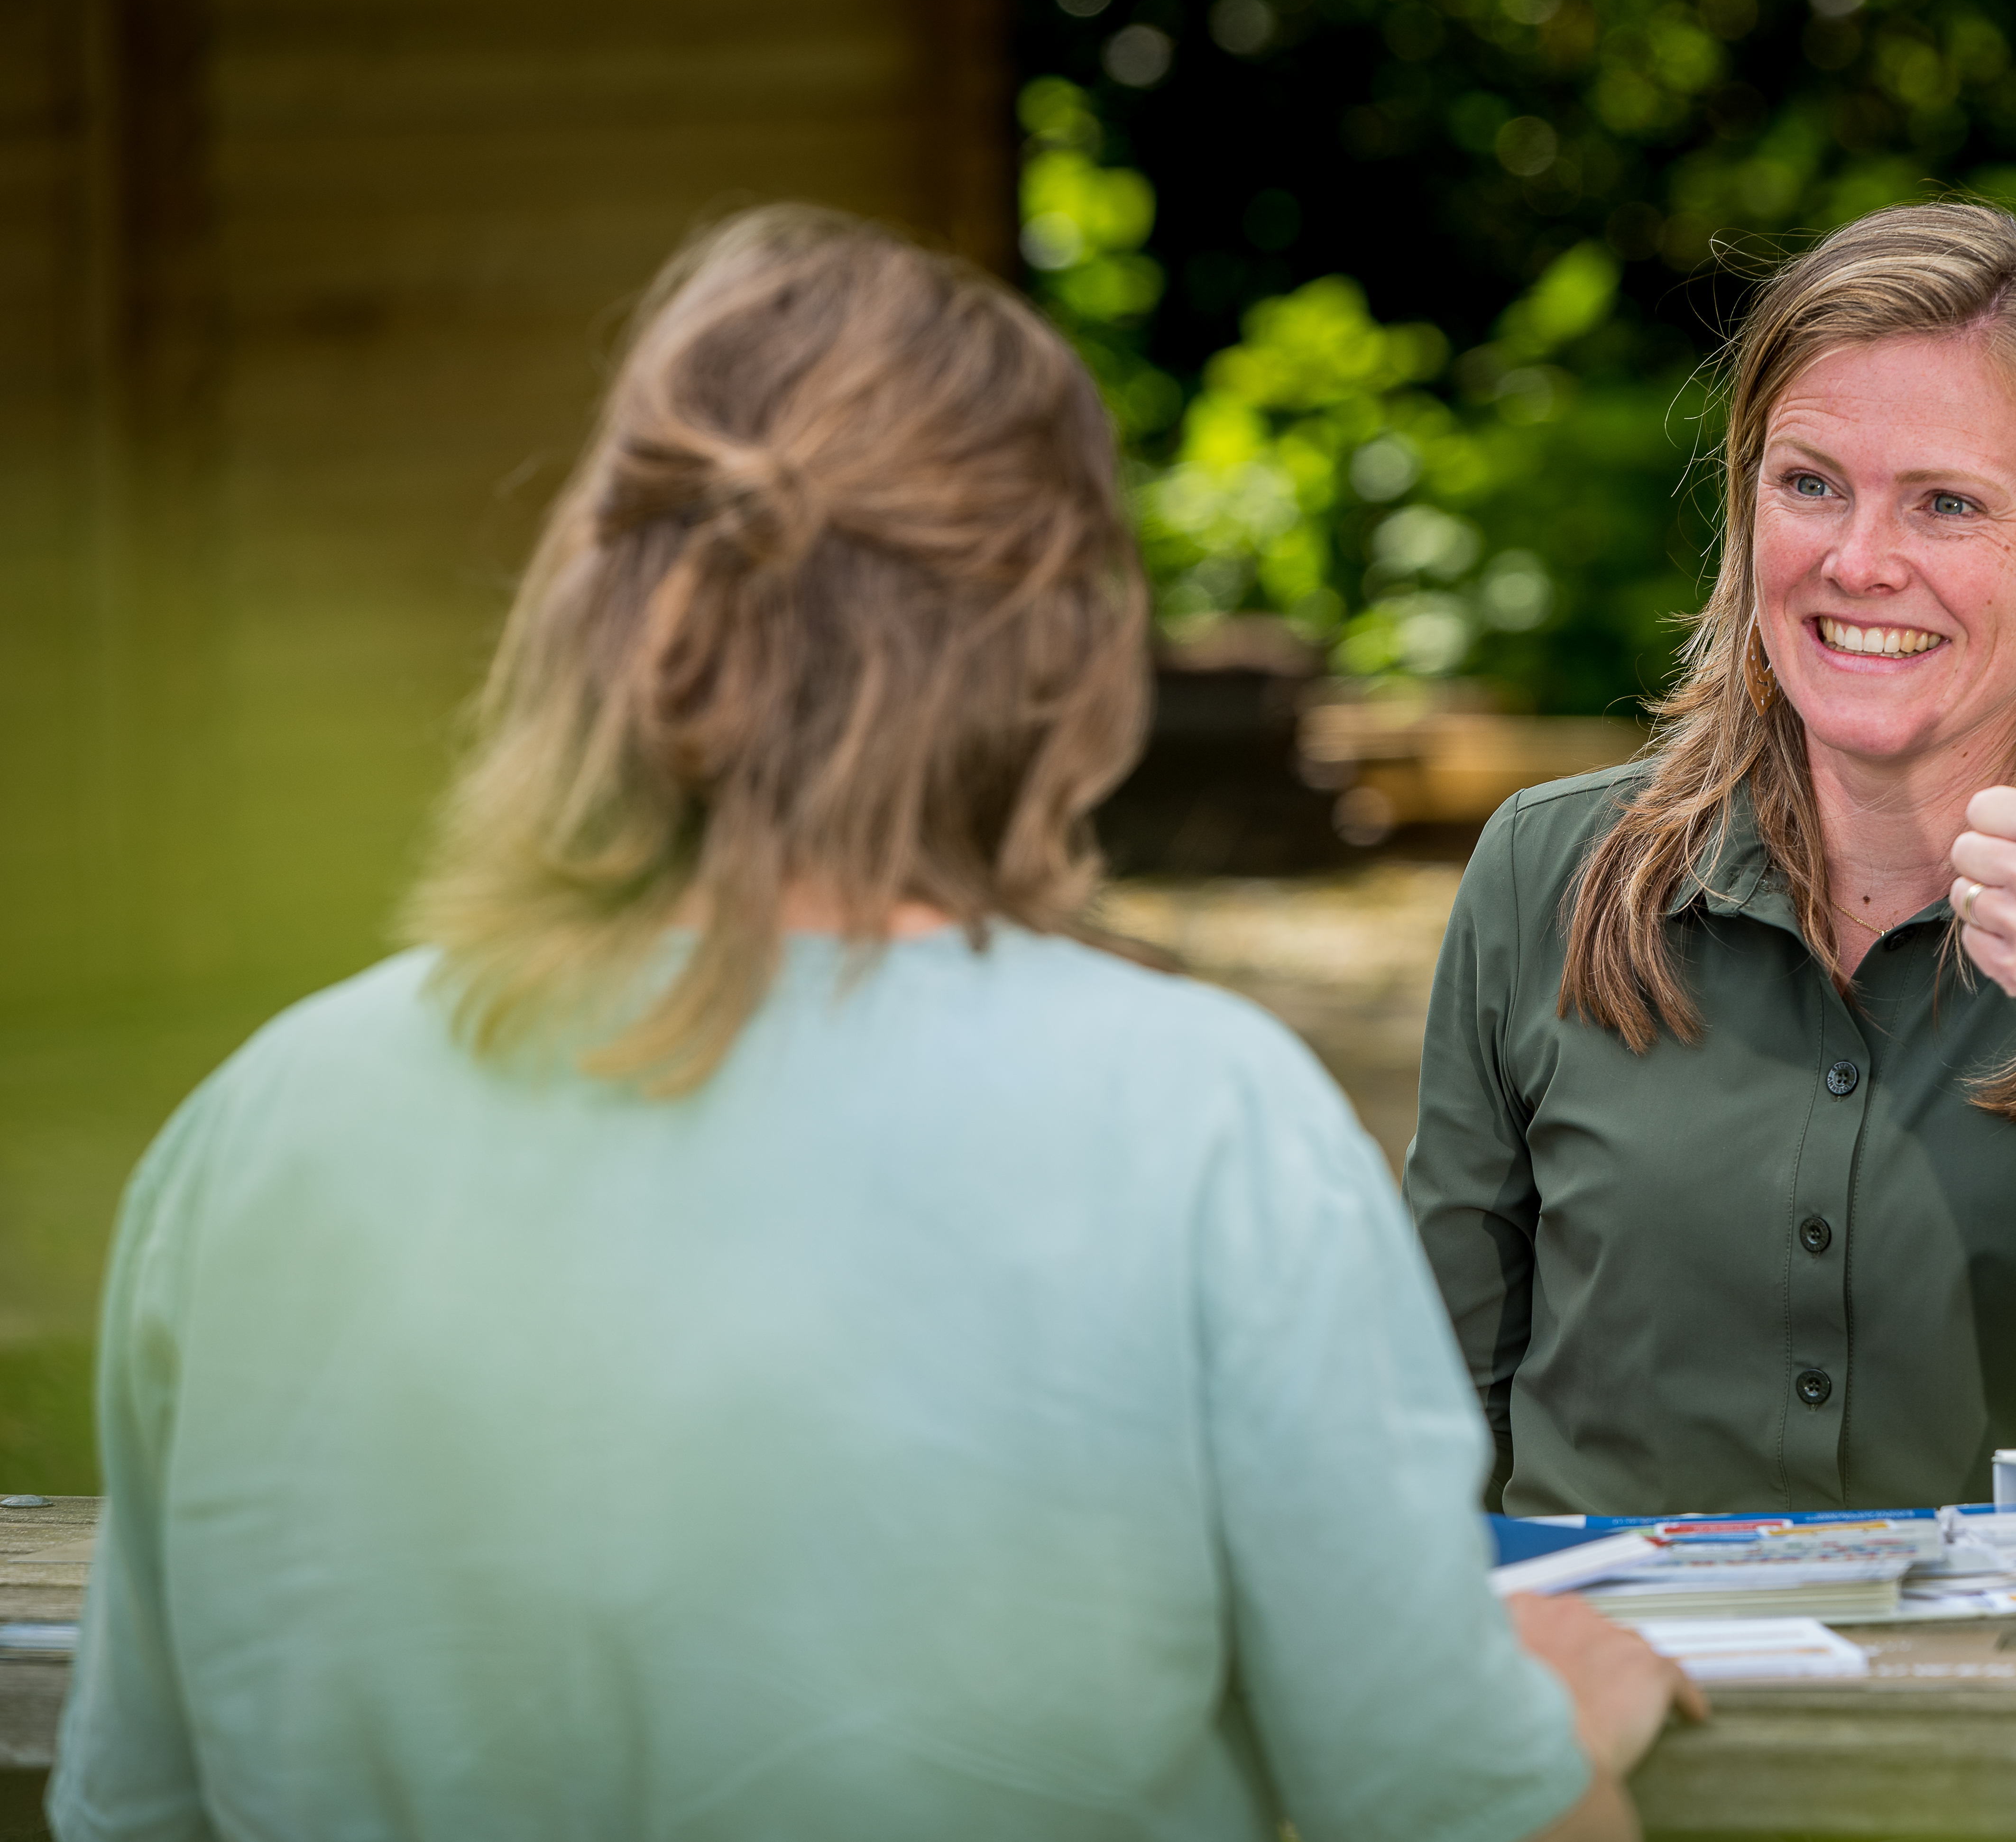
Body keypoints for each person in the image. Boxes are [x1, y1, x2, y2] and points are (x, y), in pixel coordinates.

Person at [49, 206, 1698, 1842]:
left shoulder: (258, 1131)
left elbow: (138, 1802)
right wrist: (1542, 1736)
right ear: (1060, 642)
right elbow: (1453, 1806)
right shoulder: (1200, 1123)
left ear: (600, 599)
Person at [1408, 203, 2016, 1518]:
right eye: (1808, 484)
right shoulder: (1546, 869)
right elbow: (1422, 1425)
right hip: (1618, 1690)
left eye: (1946, 504)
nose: (1858, 563)